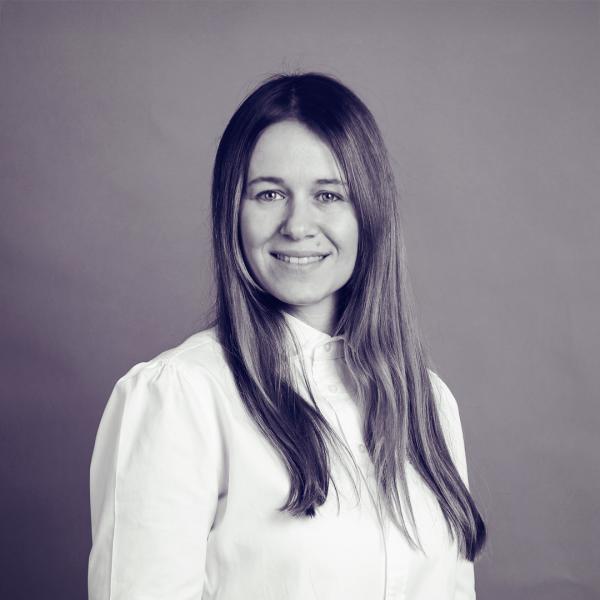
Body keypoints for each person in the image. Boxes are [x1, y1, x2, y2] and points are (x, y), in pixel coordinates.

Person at [88, 72, 486, 600]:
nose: (298, 224)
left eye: (329, 194)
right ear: (233, 211)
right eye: (270, 193)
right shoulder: (180, 396)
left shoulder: (428, 402)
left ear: (369, 213)